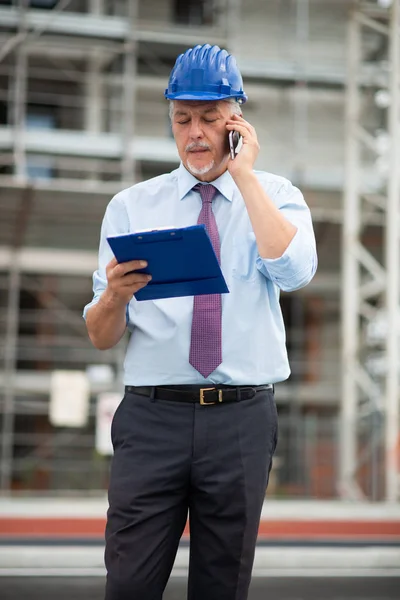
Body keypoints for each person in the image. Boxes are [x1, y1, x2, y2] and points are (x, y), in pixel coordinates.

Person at [84, 43, 317, 600]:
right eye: (182, 119)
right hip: (150, 418)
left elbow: (294, 272)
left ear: (236, 118)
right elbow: (99, 335)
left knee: (222, 586)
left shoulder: (277, 197)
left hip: (240, 421)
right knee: (129, 584)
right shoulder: (132, 207)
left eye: (209, 119)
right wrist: (114, 297)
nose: (193, 133)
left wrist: (246, 177)